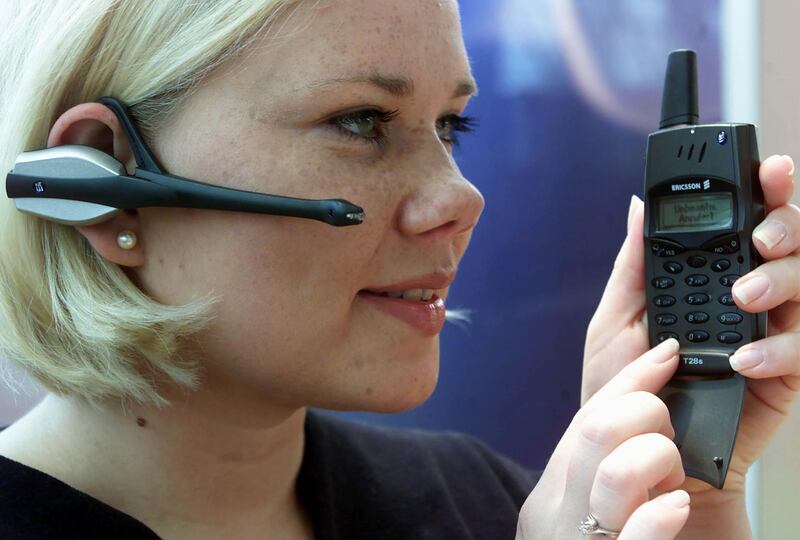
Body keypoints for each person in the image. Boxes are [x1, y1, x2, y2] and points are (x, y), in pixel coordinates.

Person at [0, 1, 797, 538]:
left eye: (452, 124)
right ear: (105, 187)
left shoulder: (488, 503)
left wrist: (689, 493)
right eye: (362, 122)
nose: (462, 197)